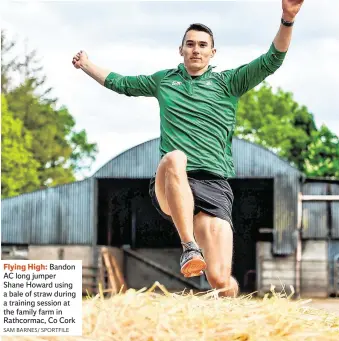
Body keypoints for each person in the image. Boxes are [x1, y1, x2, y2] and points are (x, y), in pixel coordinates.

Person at [72, 0, 304, 298]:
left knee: (221, 280)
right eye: (190, 44)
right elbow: (122, 83)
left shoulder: (229, 83)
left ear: (212, 52)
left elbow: (272, 59)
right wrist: (87, 64)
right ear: (180, 50)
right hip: (171, 181)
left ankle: (231, 307)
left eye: (202, 45)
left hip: (215, 185)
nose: (196, 49)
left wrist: (287, 19)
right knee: (175, 157)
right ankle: (189, 247)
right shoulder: (164, 81)